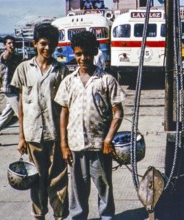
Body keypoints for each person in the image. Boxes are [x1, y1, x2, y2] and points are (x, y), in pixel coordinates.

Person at [54, 31, 126, 220]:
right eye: (78, 54)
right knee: (77, 189)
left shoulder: (106, 80)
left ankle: (107, 216)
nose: (83, 58)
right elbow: (64, 112)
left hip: (100, 146)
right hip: (76, 145)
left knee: (104, 187)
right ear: (73, 53)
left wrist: (109, 138)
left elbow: (118, 112)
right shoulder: (69, 81)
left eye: (87, 53)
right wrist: (63, 144)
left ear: (95, 51)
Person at [11, 24, 69, 220]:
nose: (47, 48)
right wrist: (21, 137)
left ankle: (60, 216)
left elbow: (65, 108)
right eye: (43, 44)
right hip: (32, 134)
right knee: (36, 181)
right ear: (34, 44)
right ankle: (38, 215)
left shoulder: (61, 70)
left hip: (55, 135)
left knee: (59, 180)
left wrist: (65, 141)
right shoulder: (23, 69)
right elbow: (21, 105)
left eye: (51, 44)